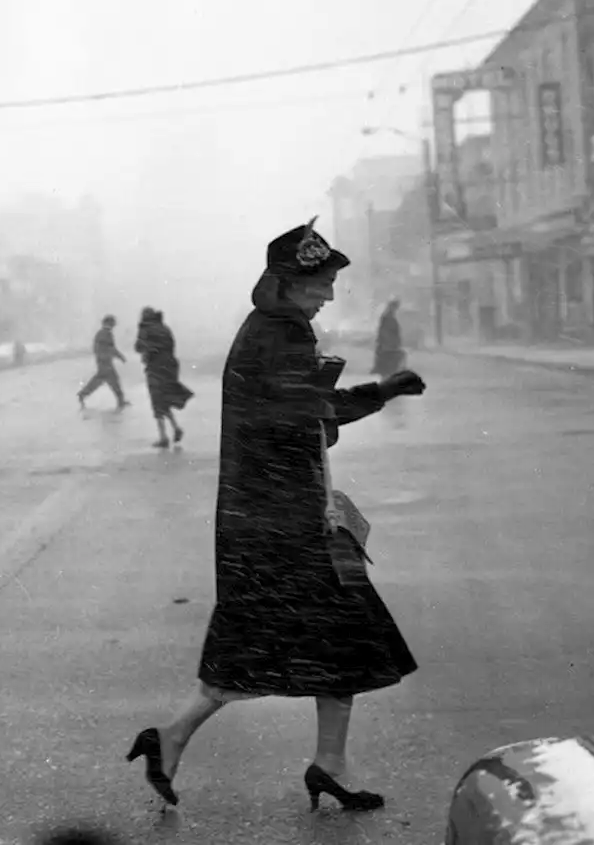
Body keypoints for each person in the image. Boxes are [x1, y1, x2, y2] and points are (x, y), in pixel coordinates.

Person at [126, 218, 426, 812]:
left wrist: (354, 400)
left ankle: (312, 761)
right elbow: (306, 416)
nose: (330, 292)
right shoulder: (282, 335)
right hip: (283, 519)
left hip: (268, 514)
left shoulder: (271, 328)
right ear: (287, 282)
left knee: (302, 640)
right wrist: (380, 392)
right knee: (326, 636)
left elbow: (302, 414)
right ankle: (192, 739)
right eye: (320, 281)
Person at [135, 307, 193, 448]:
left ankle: (163, 437)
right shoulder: (164, 328)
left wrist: (148, 350)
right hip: (170, 367)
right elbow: (171, 345)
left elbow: (138, 347)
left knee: (157, 401)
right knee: (164, 399)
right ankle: (176, 428)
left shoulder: (145, 328)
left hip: (155, 368)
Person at [78, 315, 129, 411]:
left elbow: (97, 348)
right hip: (106, 363)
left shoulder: (100, 333)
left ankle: (83, 394)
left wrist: (101, 358)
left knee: (99, 381)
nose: (114, 325)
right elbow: (111, 349)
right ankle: (121, 401)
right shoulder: (107, 334)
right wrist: (120, 357)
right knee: (112, 381)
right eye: (113, 323)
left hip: (102, 362)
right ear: (110, 323)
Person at [372, 298, 406, 377]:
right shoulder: (387, 317)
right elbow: (385, 333)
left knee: (389, 371)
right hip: (388, 349)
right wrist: (391, 344)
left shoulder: (389, 317)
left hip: (389, 348)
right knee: (388, 371)